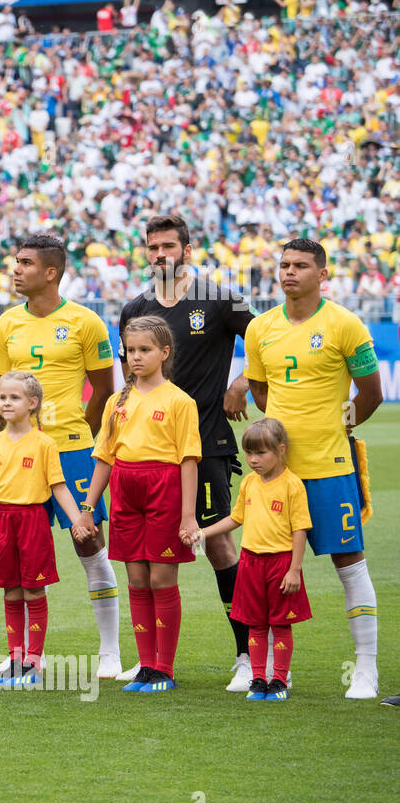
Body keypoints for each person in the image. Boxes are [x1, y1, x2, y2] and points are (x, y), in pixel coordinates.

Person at [243, 238, 383, 700]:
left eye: (300, 266)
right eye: (283, 265)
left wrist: (336, 426)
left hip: (329, 466)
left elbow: (370, 393)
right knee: (266, 568)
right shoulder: (261, 328)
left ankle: (366, 667)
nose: (289, 273)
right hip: (274, 477)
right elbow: (261, 394)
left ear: (322, 274)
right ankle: (272, 671)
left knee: (348, 562)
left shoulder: (344, 323)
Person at [120, 216, 255, 690]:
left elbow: (264, 339)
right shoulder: (137, 308)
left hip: (208, 442)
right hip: (149, 458)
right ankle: (150, 660)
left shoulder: (218, 299)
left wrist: (241, 382)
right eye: (153, 247)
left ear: (188, 249)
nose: (160, 255)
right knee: (140, 558)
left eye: (168, 246)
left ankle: (247, 654)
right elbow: (128, 383)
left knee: (217, 542)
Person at [0, 235, 120, 677]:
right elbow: (3, 395)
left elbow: (104, 390)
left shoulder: (86, 322)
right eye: (15, 261)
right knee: (18, 555)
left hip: (72, 451)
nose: (15, 269)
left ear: (50, 272)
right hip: (18, 455)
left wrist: (79, 433)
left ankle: (110, 651)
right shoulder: (7, 323)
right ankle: (24, 654)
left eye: (25, 263)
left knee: (88, 541)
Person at [78, 316, 201, 694]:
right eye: (130, 351)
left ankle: (164, 667)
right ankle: (145, 665)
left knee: (162, 578)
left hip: (163, 490)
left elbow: (188, 460)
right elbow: (105, 457)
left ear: (164, 353)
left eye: (144, 350)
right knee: (136, 579)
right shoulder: (117, 400)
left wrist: (188, 516)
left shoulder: (180, 401)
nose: (136, 357)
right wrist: (88, 506)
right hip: (125, 491)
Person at [0, 372, 88, 687]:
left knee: (33, 589)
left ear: (33, 403)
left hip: (32, 521)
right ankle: (15, 658)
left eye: (14, 397)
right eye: (2, 398)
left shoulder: (44, 444)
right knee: (10, 590)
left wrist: (78, 519)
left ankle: (33, 662)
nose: (6, 403)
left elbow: (60, 487)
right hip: (0, 520)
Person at [192, 419, 311, 702]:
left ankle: (279, 680)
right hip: (250, 563)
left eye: (261, 453)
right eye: (249, 453)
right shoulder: (248, 483)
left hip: (281, 564)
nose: (253, 460)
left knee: (281, 624)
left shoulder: (293, 485)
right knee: (255, 624)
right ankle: (258, 679)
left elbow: (300, 529)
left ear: (281, 450)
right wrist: (202, 533)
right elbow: (236, 519)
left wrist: (294, 570)